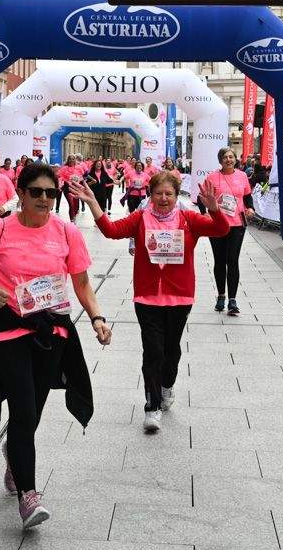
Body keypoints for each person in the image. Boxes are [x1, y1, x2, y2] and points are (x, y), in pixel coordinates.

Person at [0, 163, 112, 528]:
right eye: (36, 192)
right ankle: (28, 496)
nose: (44, 199)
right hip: (9, 330)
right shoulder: (1, 229)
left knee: (31, 414)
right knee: (23, 409)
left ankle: (15, 458)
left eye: (51, 193)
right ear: (21, 193)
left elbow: (81, 283)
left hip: (51, 332)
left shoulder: (66, 232)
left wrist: (97, 318)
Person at [72, 170, 229, 432]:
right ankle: (152, 406)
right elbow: (111, 230)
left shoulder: (188, 219)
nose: (163, 198)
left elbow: (221, 229)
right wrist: (93, 203)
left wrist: (214, 209)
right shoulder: (141, 218)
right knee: (153, 351)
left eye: (169, 194)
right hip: (147, 297)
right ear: (150, 195)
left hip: (180, 296)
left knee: (171, 350)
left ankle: (167, 385)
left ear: (176, 196)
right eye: (158, 193)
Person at [202, 148, 253, 316]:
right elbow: (201, 198)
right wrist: (204, 213)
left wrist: (250, 208)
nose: (228, 160)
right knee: (219, 260)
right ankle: (221, 296)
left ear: (235, 159)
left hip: (237, 224)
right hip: (217, 225)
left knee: (232, 260)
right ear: (220, 160)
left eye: (231, 157)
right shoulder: (212, 177)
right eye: (225, 157)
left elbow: (247, 196)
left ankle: (232, 300)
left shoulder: (242, 176)